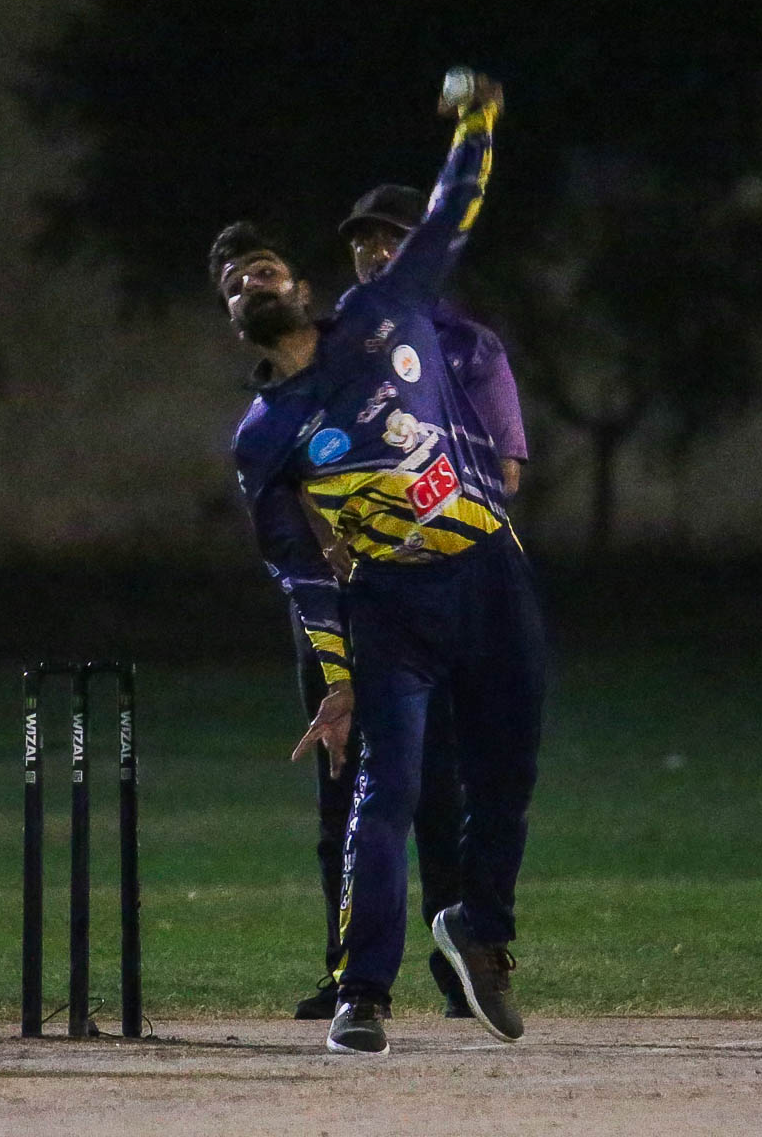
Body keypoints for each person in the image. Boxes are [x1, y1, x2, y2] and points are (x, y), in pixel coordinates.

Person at [213, 73, 546, 1055]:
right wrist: (337, 679)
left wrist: (477, 122)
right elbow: (297, 571)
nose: (250, 283)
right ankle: (361, 993)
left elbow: (450, 215)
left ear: (302, 290)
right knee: (383, 795)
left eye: (263, 271)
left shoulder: (381, 313)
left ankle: (479, 931)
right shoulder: (262, 436)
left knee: (506, 776)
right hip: (391, 605)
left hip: (489, 571)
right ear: (233, 319)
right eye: (234, 285)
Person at [290, 184, 528, 1022]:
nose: (373, 251)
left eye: (390, 236)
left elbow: (504, 470)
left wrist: (426, 507)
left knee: (453, 784)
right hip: (367, 596)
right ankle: (356, 981)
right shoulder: (334, 349)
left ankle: (463, 960)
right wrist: (340, 526)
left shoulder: (467, 346)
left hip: (460, 583)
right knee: (360, 792)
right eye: (361, 241)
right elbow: (298, 476)